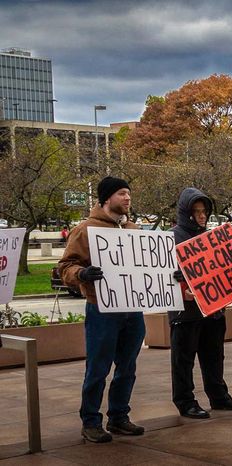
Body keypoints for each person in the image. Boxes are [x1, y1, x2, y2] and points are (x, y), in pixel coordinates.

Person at [58, 176, 146, 443]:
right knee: (98, 367)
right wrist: (82, 273)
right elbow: (66, 267)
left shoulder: (134, 229)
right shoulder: (85, 229)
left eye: (129, 193)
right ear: (107, 198)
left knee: (127, 367)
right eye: (122, 193)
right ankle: (91, 421)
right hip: (102, 309)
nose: (128, 198)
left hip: (133, 309)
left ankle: (119, 417)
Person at [168, 188, 232, 419]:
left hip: (213, 310)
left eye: (205, 211)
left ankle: (219, 396)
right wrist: (181, 284)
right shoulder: (171, 237)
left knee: (214, 356)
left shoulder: (213, 238)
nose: (202, 216)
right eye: (197, 212)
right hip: (186, 311)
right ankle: (185, 401)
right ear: (186, 213)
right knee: (183, 360)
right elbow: (163, 275)